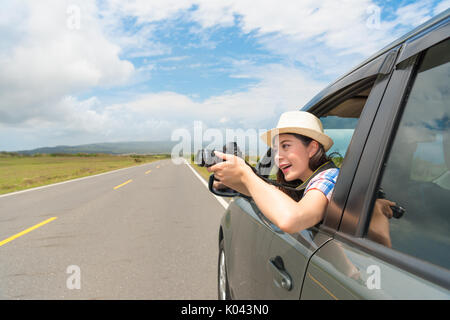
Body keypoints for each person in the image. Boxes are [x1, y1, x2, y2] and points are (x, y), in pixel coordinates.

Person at [207, 110, 340, 234]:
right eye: (276, 149)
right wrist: (230, 173)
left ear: (312, 148)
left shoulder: (330, 177)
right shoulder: (299, 183)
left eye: (286, 146)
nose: (277, 156)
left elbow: (291, 220)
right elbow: (256, 191)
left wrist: (245, 173)